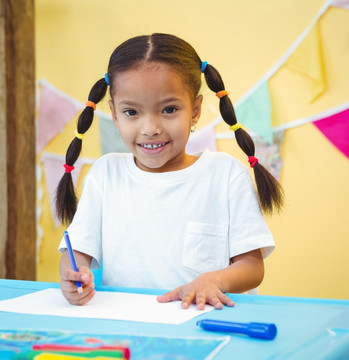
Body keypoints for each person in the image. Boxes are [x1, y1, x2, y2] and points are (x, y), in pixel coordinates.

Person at [55, 33, 283, 310]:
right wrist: (74, 276)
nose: (150, 128)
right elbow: (76, 249)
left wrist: (214, 280)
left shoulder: (225, 174)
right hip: (131, 324)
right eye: (131, 113)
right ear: (114, 113)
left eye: (169, 109)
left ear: (196, 110)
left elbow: (251, 267)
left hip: (208, 324)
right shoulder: (105, 174)